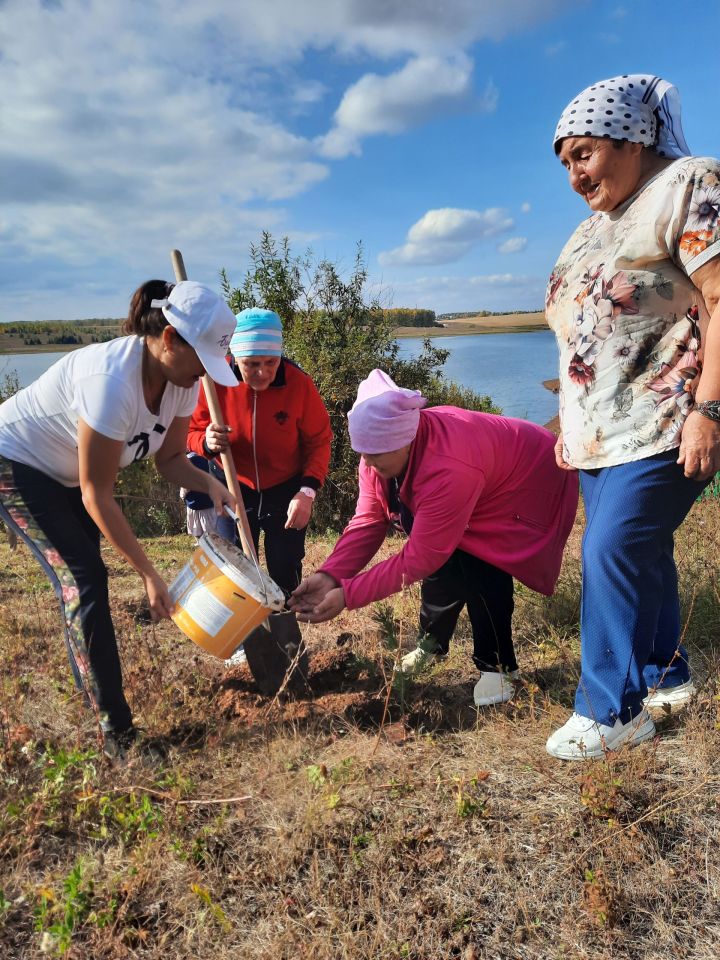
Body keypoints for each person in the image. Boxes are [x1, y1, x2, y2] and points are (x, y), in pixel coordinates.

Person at [544, 74, 720, 760]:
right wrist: (568, 420)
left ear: (633, 136)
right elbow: (580, 335)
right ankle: (664, 672)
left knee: (611, 549)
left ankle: (612, 711)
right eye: (564, 162)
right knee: (640, 553)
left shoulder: (689, 185)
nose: (573, 173)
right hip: (598, 434)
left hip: (668, 418)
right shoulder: (591, 229)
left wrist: (710, 409)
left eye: (583, 153)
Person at [0, 280, 238, 759]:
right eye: (202, 362)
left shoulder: (180, 382)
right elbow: (97, 493)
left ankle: (100, 697)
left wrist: (210, 484)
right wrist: (150, 574)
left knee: (90, 575)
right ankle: (118, 737)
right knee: (85, 578)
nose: (204, 376)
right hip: (16, 463)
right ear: (169, 339)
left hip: (67, 474)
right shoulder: (110, 382)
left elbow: (170, 459)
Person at [289, 370, 579, 706]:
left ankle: (497, 667)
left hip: (526, 478)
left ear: (405, 440)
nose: (366, 462)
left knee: (483, 564)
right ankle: (432, 644)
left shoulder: (449, 467)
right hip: (478, 472)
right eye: (362, 452)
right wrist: (330, 575)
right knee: (440, 557)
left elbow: (422, 556)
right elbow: (369, 521)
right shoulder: (376, 454)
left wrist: (348, 596)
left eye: (375, 454)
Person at [185, 307, 332, 598]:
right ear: (234, 358)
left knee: (285, 567)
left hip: (286, 490)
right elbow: (188, 432)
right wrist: (205, 442)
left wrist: (307, 492)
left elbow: (319, 440)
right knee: (236, 569)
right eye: (251, 364)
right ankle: (244, 639)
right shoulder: (213, 382)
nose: (262, 372)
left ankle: (286, 635)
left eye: (270, 362)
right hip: (231, 488)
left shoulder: (298, 384)